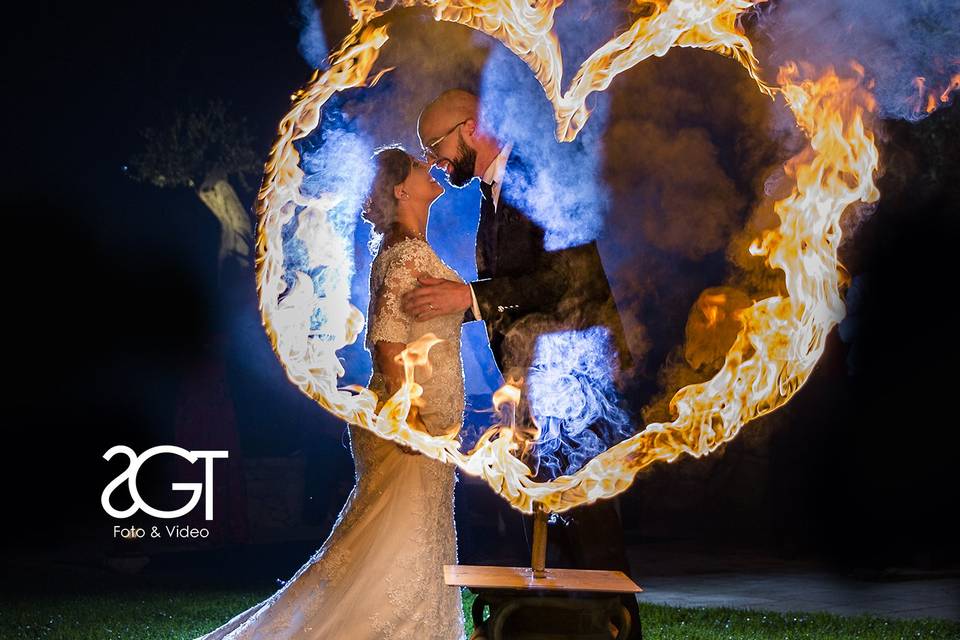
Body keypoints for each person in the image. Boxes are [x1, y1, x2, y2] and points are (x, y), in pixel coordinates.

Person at [195, 146, 466, 639]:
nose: (433, 168)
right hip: (411, 428)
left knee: (407, 543)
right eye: (420, 166)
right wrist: (410, 420)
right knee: (398, 549)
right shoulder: (406, 254)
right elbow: (387, 345)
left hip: (426, 428)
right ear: (402, 189)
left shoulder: (406, 250)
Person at [405, 89, 641, 639]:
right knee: (552, 530)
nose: (436, 164)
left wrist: (471, 298)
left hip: (577, 379)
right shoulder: (490, 194)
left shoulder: (539, 169)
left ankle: (622, 635)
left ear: (469, 126)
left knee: (592, 528)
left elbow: (571, 277)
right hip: (537, 380)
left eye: (436, 147)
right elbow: (512, 294)